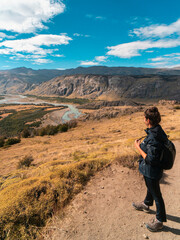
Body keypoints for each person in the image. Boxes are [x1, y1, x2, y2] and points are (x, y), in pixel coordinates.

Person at [132, 106, 167, 232]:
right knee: (150, 187)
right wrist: (144, 144)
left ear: (148, 120)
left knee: (157, 195)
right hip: (152, 171)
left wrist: (138, 147)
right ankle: (146, 204)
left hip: (152, 170)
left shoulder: (154, 136)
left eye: (144, 117)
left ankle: (159, 221)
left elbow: (151, 159)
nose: (143, 119)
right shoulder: (157, 130)